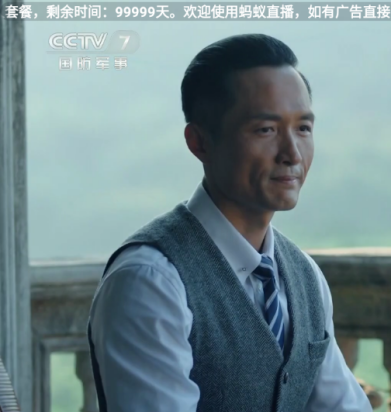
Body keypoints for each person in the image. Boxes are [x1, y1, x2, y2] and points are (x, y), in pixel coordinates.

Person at [87, 34, 373, 412]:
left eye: (303, 128)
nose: (292, 153)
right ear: (200, 142)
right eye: (266, 130)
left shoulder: (305, 277)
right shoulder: (151, 281)